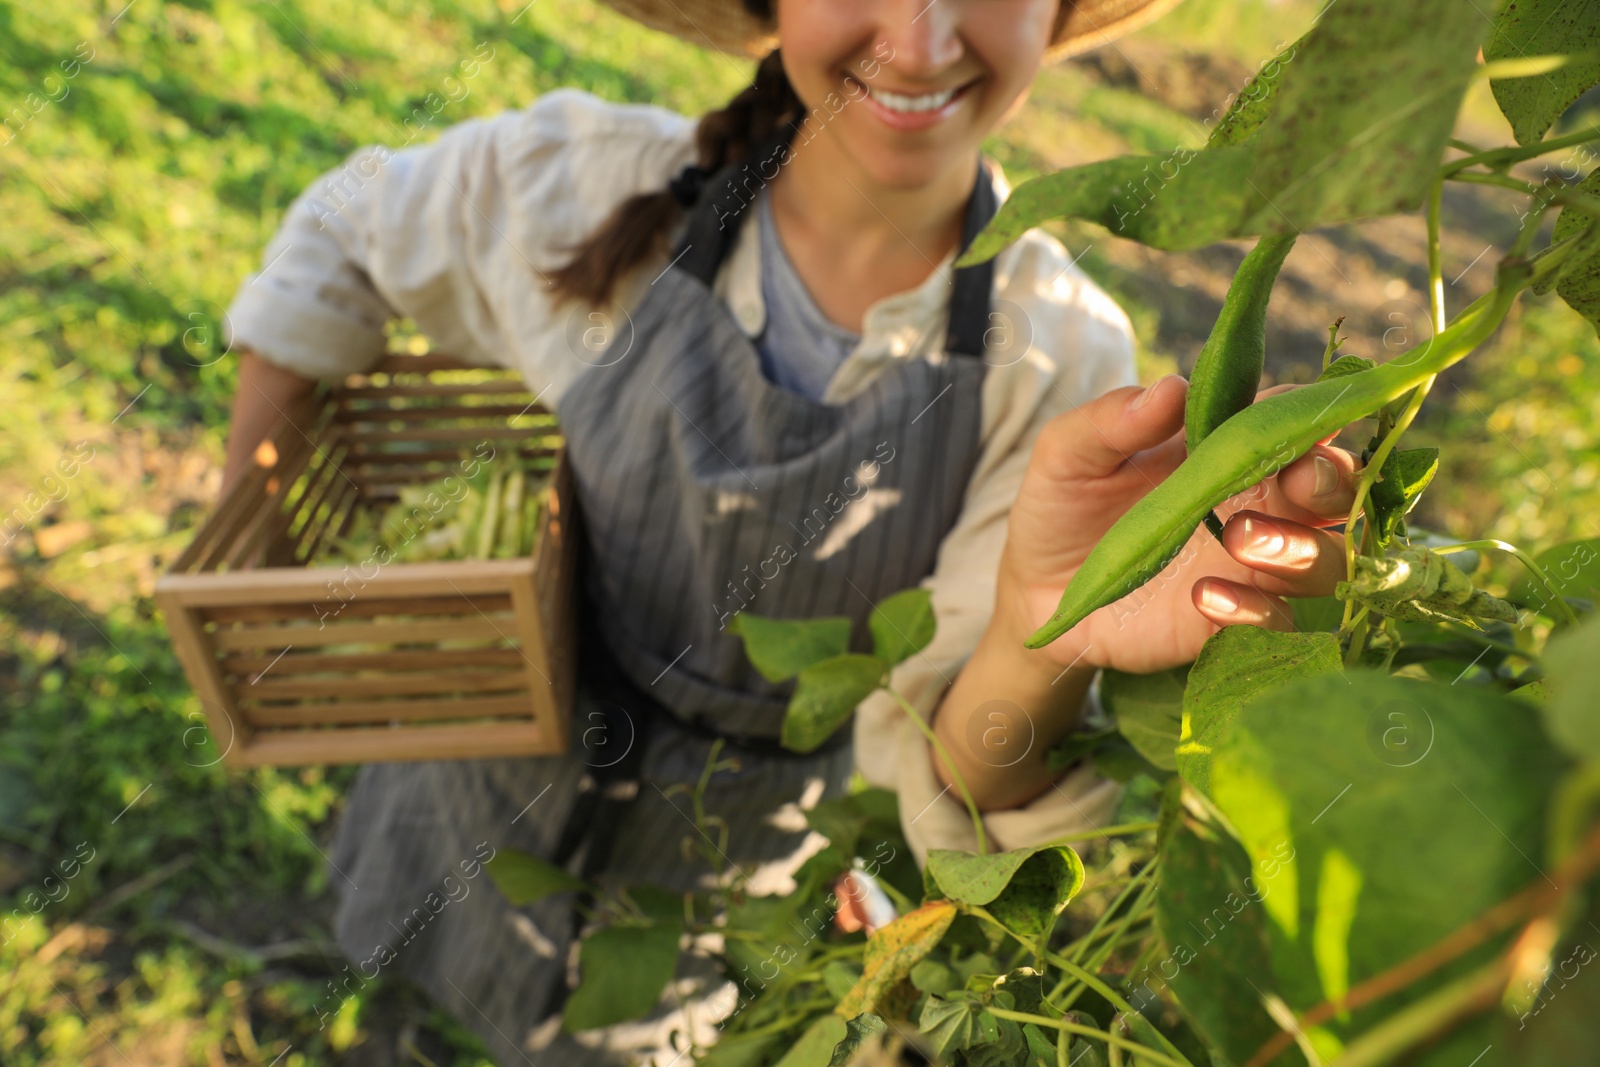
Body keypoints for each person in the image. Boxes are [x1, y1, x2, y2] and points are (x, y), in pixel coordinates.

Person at [219, 0, 1362, 1061]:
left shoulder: (1055, 355)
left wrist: (1042, 631)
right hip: (496, 762)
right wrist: (259, 536)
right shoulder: (591, 185)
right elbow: (342, 229)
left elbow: (959, 766)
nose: (918, 44)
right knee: (411, 992)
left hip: (742, 869)